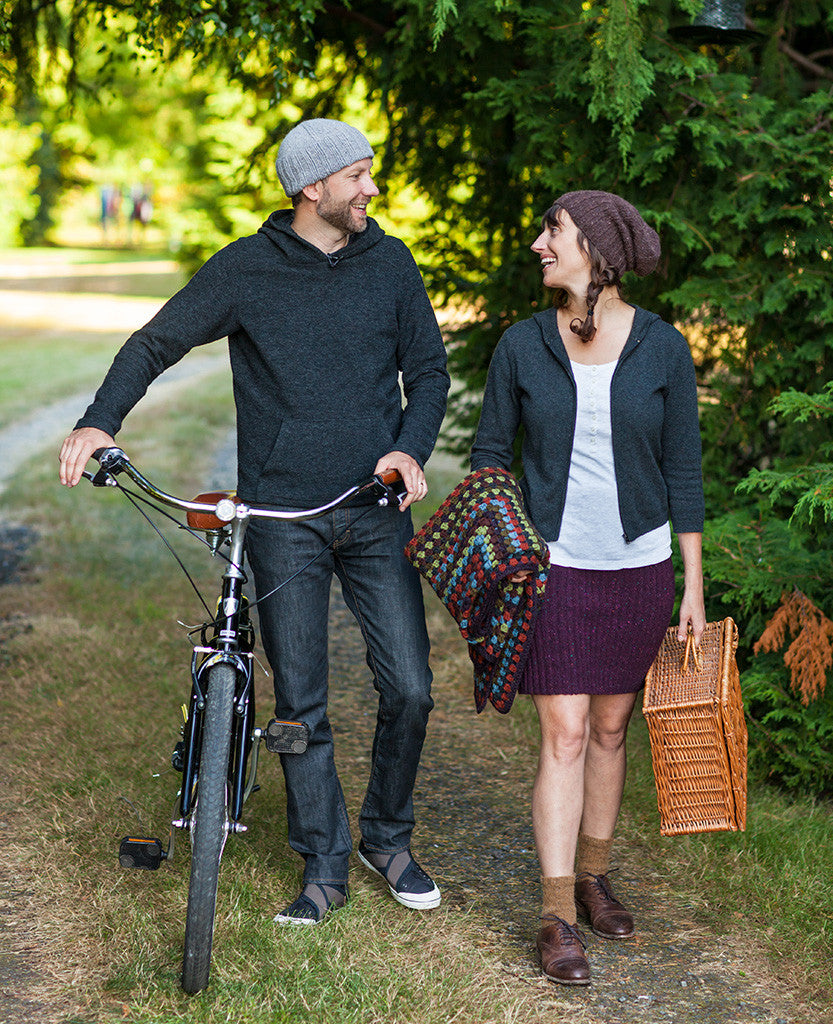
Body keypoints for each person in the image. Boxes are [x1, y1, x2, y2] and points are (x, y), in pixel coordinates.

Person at [59, 118, 450, 925]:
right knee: (301, 702)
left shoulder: (391, 263)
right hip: (281, 517)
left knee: (410, 687)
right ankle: (324, 865)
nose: (372, 188)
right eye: (358, 176)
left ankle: (388, 836)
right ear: (313, 189)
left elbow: (431, 371)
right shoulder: (247, 268)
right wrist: (101, 420)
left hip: (375, 510)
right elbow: (155, 340)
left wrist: (410, 450)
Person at [470, 190, 705, 985]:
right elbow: (490, 456)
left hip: (639, 567)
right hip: (554, 568)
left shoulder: (664, 348)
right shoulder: (522, 346)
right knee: (565, 733)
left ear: (596, 251)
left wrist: (693, 585)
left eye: (553, 232)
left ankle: (597, 873)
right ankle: (557, 912)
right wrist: (503, 551)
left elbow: (683, 470)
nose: (539, 244)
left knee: (611, 728)